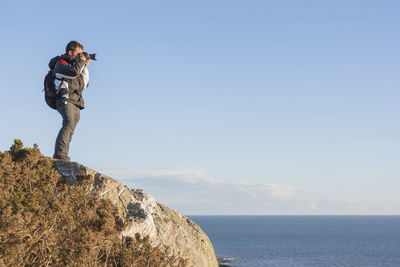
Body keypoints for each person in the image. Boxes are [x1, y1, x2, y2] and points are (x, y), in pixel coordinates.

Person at [49, 41, 90, 161]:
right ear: (70, 52)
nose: (81, 56)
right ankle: (59, 154)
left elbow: (84, 84)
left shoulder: (76, 66)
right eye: (79, 53)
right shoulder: (60, 64)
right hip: (64, 100)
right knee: (68, 123)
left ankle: (63, 154)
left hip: (75, 101)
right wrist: (81, 62)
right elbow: (73, 73)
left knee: (71, 127)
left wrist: (85, 67)